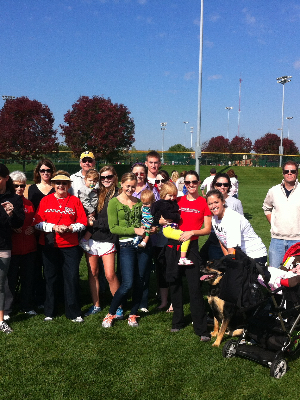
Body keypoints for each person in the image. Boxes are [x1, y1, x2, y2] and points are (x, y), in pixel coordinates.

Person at [162, 170, 212, 340]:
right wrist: (163, 221)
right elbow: (161, 215)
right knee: (175, 284)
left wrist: (192, 232)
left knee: (194, 288)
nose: (191, 185)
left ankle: (201, 328)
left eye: (194, 182)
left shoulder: (203, 203)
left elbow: (207, 229)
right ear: (184, 184)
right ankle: (177, 321)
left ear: (199, 183)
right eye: (187, 183)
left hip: (191, 247)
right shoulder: (177, 200)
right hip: (173, 246)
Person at [33, 170, 87, 322]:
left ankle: (73, 312)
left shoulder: (75, 200)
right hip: (50, 244)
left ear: (69, 185)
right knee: (51, 278)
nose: (61, 186)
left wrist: (70, 228)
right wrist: (54, 227)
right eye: (58, 183)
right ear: (53, 185)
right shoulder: (46, 200)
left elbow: (82, 222)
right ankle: (50, 311)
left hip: (70, 245)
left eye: (64, 183)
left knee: (71, 278)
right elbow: (37, 223)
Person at [102, 172, 151, 328]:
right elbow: (114, 228)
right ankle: (111, 313)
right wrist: (134, 230)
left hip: (142, 245)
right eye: (127, 186)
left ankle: (133, 314)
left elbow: (145, 222)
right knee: (127, 282)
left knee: (140, 281)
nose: (130, 189)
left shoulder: (139, 202)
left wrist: (149, 229)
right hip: (126, 246)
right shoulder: (114, 203)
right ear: (121, 185)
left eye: (133, 186)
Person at [84, 166, 121, 317]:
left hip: (108, 239)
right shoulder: (96, 192)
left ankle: (118, 306)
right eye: (103, 177)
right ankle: (96, 305)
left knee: (110, 274)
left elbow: (112, 222)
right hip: (92, 238)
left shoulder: (119, 194)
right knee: (93, 272)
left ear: (115, 177)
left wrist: (93, 223)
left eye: (109, 176)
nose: (106, 180)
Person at [4, 171, 37, 319]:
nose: (19, 188)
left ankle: (27, 306)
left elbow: (37, 218)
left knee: (28, 279)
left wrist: (34, 226)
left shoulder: (29, 204)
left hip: (29, 248)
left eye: (22, 186)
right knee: (9, 281)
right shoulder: (6, 201)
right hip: (12, 248)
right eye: (16, 185)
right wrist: (11, 227)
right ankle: (7, 310)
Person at [207, 189, 267, 264]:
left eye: (216, 202)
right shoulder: (214, 218)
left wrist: (230, 265)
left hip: (254, 255)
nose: (213, 206)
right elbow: (222, 240)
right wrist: (227, 260)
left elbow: (233, 250)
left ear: (223, 201)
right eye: (210, 204)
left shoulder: (232, 218)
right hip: (240, 256)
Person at [0, 164, 25, 333]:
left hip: (3, 245)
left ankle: (1, 320)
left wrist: (12, 213)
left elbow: (19, 223)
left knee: (0, 284)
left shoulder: (14, 198)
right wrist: (3, 214)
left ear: (6, 178)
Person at [28, 159, 56, 307]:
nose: (45, 173)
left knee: (52, 267)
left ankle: (54, 296)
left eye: (48, 170)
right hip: (36, 232)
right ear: (38, 172)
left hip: (53, 233)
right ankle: (39, 297)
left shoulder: (57, 187)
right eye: (42, 170)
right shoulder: (32, 188)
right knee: (37, 266)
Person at [263, 160, 300, 268]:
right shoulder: (273, 191)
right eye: (286, 171)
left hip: (297, 240)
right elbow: (266, 208)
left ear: (297, 173)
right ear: (283, 173)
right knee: (275, 273)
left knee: (295, 275)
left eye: (292, 171)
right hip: (277, 240)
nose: (289, 173)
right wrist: (273, 223)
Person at [202, 172, 243, 261]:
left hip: (231, 241)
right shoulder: (209, 200)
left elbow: (241, 224)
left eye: (225, 184)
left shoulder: (235, 202)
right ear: (214, 185)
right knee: (215, 266)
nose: (222, 187)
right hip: (215, 239)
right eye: (219, 184)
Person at [151, 182, 193, 265]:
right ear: (163, 194)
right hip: (167, 229)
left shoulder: (171, 203)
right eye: (170, 195)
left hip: (172, 227)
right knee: (186, 237)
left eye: (174, 195)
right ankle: (182, 258)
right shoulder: (162, 204)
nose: (172, 198)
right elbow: (166, 215)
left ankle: (181, 258)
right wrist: (178, 216)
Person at [78, 168, 99, 252]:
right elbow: (85, 202)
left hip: (92, 211)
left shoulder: (93, 189)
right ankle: (83, 240)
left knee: (93, 225)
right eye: (90, 180)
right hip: (87, 212)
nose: (92, 183)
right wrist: (91, 211)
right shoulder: (84, 190)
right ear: (85, 180)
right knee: (91, 225)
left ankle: (84, 240)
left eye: (94, 181)